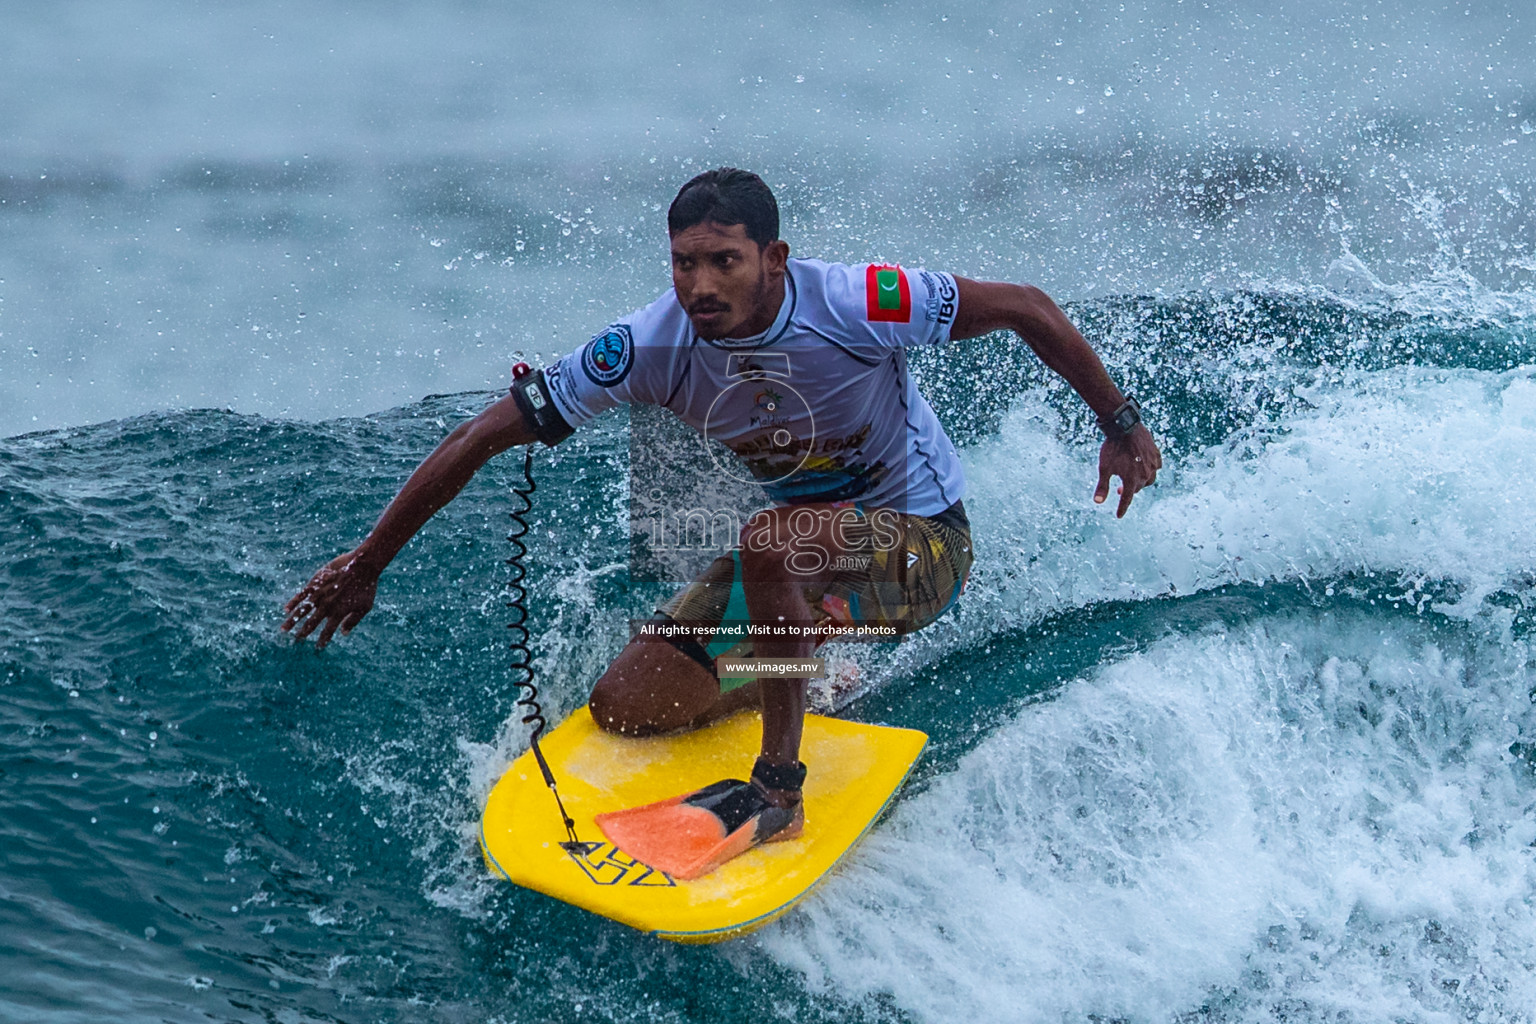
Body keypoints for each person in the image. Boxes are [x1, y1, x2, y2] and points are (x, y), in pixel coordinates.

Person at [282, 167, 1161, 858]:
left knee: (769, 542)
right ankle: (806, 666)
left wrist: (1117, 422)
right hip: (805, 565)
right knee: (629, 705)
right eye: (683, 262)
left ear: (774, 260)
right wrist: (366, 567)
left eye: (723, 261)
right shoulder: (645, 346)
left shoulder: (856, 301)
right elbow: (481, 435)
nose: (699, 284)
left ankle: (779, 785)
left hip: (923, 550)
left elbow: (1026, 308)